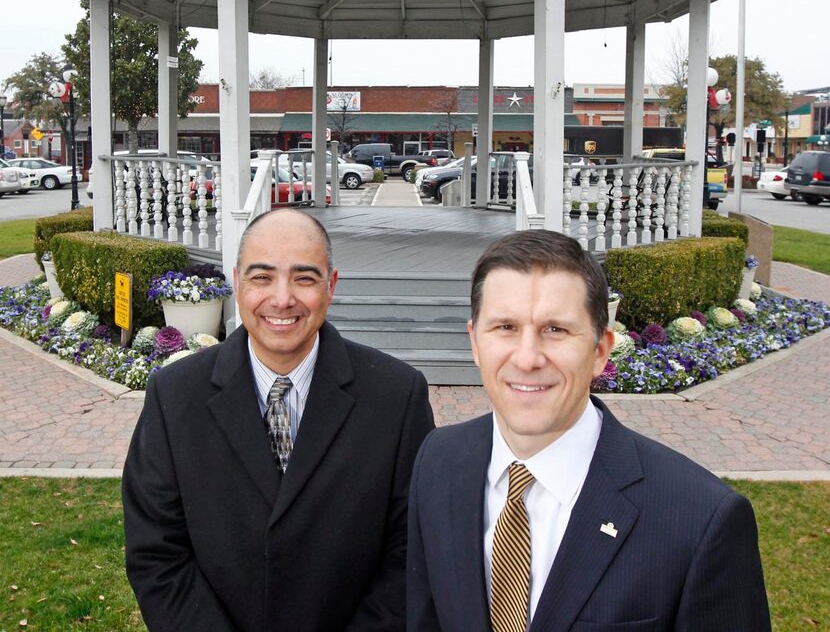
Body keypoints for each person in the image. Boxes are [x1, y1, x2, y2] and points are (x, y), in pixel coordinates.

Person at [407, 229, 770, 631]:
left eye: (556, 330)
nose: (527, 358)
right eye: (505, 327)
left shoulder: (700, 519)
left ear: (600, 351)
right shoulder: (437, 461)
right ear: (475, 342)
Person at [123, 208, 434, 632]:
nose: (283, 298)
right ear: (237, 282)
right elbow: (157, 554)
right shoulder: (174, 397)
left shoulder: (398, 397)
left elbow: (411, 555)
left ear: (331, 286)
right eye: (262, 277)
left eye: (304, 278)